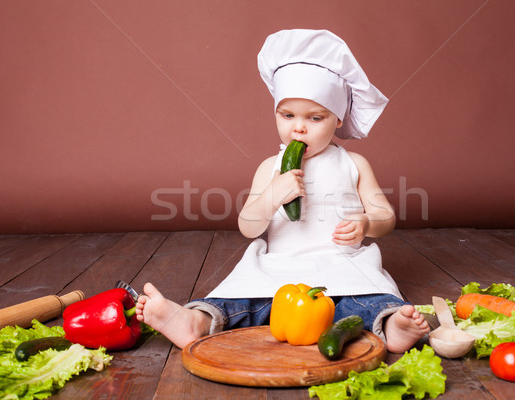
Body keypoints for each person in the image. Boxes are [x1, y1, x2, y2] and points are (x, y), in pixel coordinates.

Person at [136, 29, 429, 352]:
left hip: (344, 268)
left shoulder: (353, 163)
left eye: (315, 117)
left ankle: (391, 326)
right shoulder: (270, 168)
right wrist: (273, 194)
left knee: (366, 299)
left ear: (338, 118)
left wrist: (366, 223)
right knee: (242, 299)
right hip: (278, 272)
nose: (298, 127)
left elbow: (384, 216)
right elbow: (248, 226)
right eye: (287, 115)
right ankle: (196, 320)